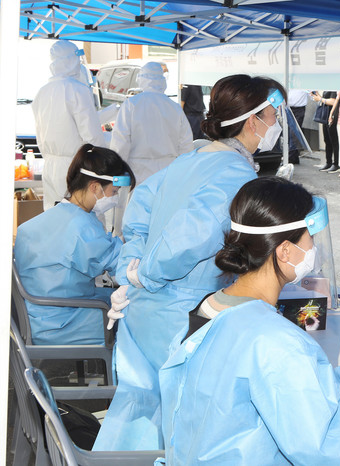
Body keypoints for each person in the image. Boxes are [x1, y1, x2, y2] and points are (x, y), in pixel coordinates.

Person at [159, 177, 340, 464]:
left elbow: (292, 386)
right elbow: (324, 452)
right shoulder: (276, 340)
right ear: (285, 251)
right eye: (310, 239)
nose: (314, 249)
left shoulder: (210, 307)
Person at [93, 74, 281, 451]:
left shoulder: (194, 157)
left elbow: (140, 209)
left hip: (146, 312)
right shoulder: (234, 173)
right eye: (274, 116)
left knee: (138, 416)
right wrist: (146, 273)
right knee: (179, 426)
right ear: (253, 121)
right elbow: (191, 237)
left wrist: (131, 269)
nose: (277, 124)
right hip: (180, 317)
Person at [14, 144, 135, 345]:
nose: (115, 200)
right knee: (136, 314)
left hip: (32, 318)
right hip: (62, 324)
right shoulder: (83, 227)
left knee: (112, 297)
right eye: (114, 191)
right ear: (94, 187)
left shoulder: (37, 222)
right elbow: (124, 264)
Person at [109, 62, 194, 236]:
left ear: (141, 79)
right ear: (162, 81)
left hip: (136, 173)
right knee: (161, 223)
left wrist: (116, 172)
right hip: (167, 174)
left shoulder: (131, 104)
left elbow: (120, 143)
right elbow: (186, 146)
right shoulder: (174, 108)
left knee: (133, 223)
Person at [33, 40, 106, 211]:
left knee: (53, 214)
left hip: (50, 165)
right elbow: (92, 135)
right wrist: (102, 163)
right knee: (81, 215)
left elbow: (40, 134)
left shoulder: (42, 92)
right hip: (75, 166)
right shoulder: (77, 90)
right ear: (71, 60)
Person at [311, 90, 340, 173]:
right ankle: (328, 162)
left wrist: (320, 99)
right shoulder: (328, 88)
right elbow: (326, 100)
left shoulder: (334, 89)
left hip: (333, 115)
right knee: (327, 140)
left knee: (333, 140)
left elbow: (333, 102)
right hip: (326, 115)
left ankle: (336, 163)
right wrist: (318, 96)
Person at [287, 89, 309, 164]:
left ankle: (291, 157)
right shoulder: (289, 83)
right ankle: (294, 157)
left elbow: (312, 93)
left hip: (299, 109)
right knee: (289, 133)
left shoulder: (304, 84)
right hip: (288, 108)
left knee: (294, 132)